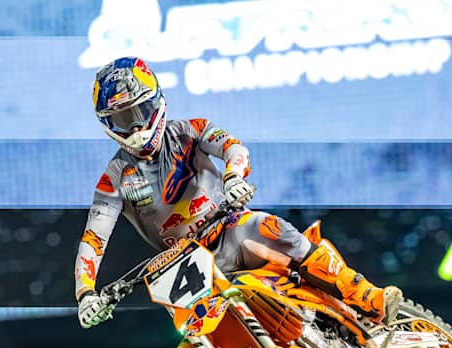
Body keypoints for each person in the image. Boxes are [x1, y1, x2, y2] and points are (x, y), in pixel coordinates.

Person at [75, 57, 402, 328]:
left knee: (271, 228)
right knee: (191, 329)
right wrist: (86, 294)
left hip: (228, 230)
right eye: (122, 119)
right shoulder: (113, 178)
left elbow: (233, 147)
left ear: (156, 103)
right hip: (180, 264)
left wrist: (233, 178)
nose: (134, 127)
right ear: (107, 124)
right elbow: (94, 238)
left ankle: (365, 296)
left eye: (139, 113)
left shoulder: (191, 130)